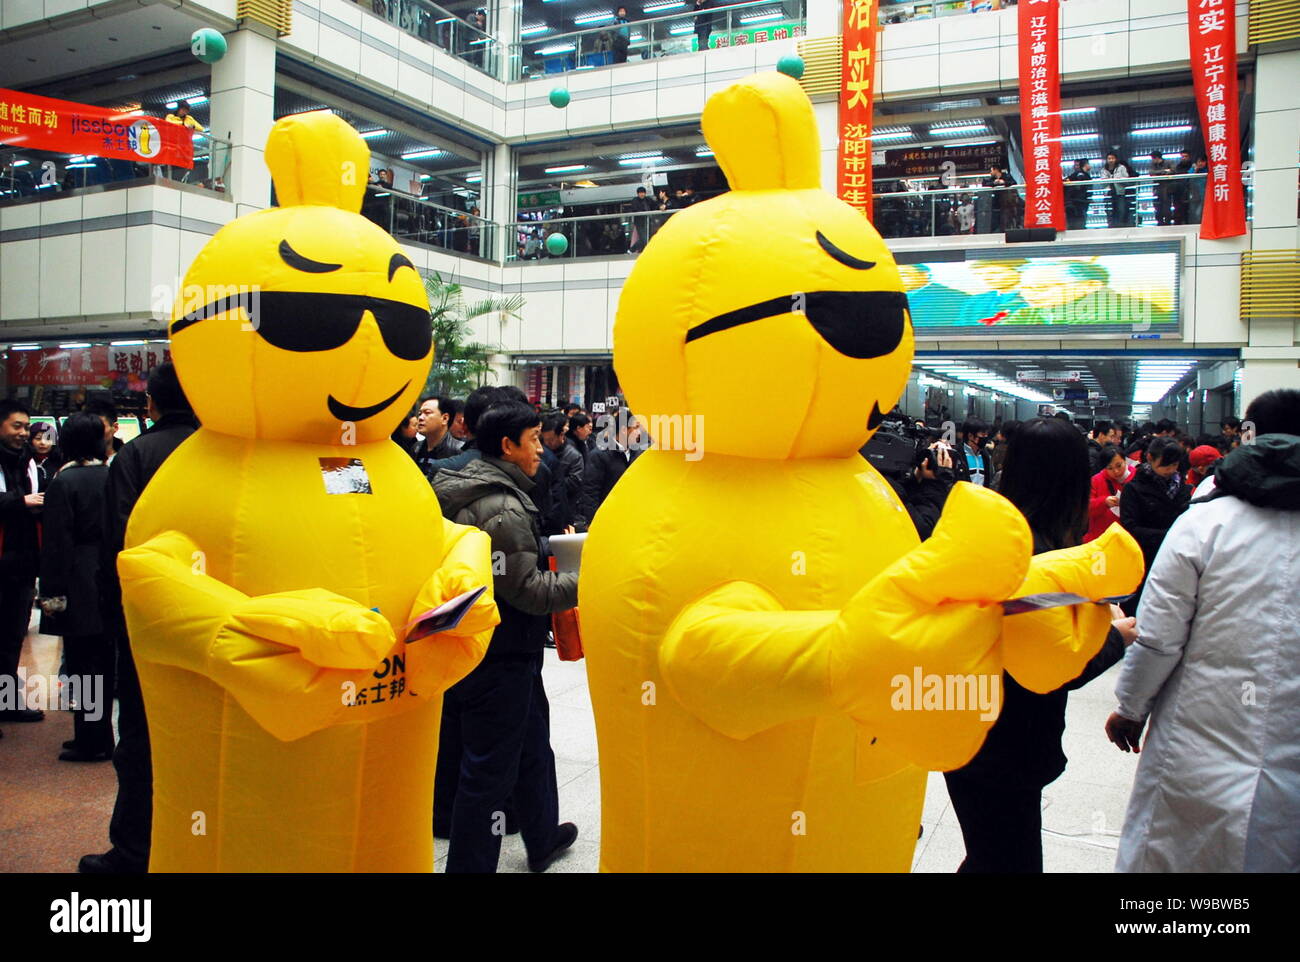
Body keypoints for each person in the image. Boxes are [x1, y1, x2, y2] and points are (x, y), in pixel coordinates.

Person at [1107, 389, 1300, 872]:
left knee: (1181, 856)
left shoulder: (1206, 522)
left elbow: (1158, 635)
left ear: (1246, 438)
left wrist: (1131, 709)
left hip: (1200, 735)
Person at [945, 417, 1138, 873]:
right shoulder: (1039, 556)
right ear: (1072, 479)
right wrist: (1116, 638)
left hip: (964, 725)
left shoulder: (988, 532)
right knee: (1006, 861)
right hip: (1007, 744)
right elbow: (1051, 671)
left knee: (991, 854)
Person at [431, 402, 580, 873]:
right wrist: (588, 575)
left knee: (534, 739)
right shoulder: (503, 506)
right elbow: (529, 593)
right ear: (507, 446)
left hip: (473, 643)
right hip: (503, 650)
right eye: (533, 438)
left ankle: (541, 836)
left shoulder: (462, 485)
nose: (540, 447)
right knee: (488, 775)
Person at [79, 363, 198, 874]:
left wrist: (114, 618)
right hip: (220, 622)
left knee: (144, 737)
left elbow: (119, 544)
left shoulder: (135, 456)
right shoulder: (229, 454)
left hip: (149, 624)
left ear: (150, 404)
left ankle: (134, 850)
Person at [37, 412, 114, 761]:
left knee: (82, 663)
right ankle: (100, 734)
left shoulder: (63, 483)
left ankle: (90, 740)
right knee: (102, 660)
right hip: (108, 574)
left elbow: (56, 544)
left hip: (77, 578)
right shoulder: (110, 476)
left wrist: (51, 593)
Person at [0, 399, 45, 727]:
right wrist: (20, 502)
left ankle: (7, 702)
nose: (24, 433)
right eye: (17, 426)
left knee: (12, 636)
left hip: (21, 563)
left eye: (26, 427)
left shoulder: (28, 463)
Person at [1118, 435, 1189, 616]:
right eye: (1166, 465)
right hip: (1143, 560)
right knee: (1138, 610)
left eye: (1175, 465)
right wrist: (1168, 535)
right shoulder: (1133, 489)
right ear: (1150, 458)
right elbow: (1130, 527)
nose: (1171, 470)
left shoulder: (1181, 487)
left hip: (1176, 559)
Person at [576, 413, 644, 528]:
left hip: (632, 519)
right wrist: (593, 522)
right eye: (636, 428)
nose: (639, 433)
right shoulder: (600, 455)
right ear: (624, 430)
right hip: (607, 521)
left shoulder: (638, 453)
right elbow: (591, 492)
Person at [1086, 444, 1133, 542]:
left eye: (1119, 466)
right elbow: (1086, 508)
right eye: (1110, 468)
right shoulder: (1096, 480)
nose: (1116, 471)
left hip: (1130, 538)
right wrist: (1104, 502)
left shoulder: (1136, 477)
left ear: (1125, 461)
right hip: (1101, 538)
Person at [958, 260, 1026, 326]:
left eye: (994, 273)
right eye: (979, 274)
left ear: (1020, 272)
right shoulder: (975, 300)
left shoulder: (1032, 298)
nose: (986, 278)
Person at [897, 263, 968, 326]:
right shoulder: (894, 297)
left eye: (903, 275)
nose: (898, 280)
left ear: (924, 275)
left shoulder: (951, 297)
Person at [411, 395, 463, 477]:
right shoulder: (416, 447)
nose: (420, 418)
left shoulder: (459, 450)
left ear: (445, 418)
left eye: (427, 413)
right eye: (420, 413)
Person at [950, 418, 991, 488]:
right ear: (970, 436)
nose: (985, 438)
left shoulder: (985, 455)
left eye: (986, 435)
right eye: (983, 435)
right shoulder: (956, 454)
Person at [1096, 152, 1131, 228]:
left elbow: (1127, 180)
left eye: (1112, 158)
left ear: (1116, 159)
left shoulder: (1121, 168)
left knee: (1121, 210)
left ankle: (1120, 226)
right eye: (1109, 158)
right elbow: (1103, 183)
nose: (1111, 160)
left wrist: (1119, 179)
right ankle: (1111, 226)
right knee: (1109, 211)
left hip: (1119, 193)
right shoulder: (1103, 170)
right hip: (1108, 194)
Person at [982, 165, 1017, 231]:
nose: (991, 172)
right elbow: (984, 184)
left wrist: (1004, 182)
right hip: (996, 203)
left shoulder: (1007, 176)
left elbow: (1014, 183)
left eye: (991, 170)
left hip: (1006, 202)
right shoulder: (992, 179)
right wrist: (993, 183)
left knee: (1006, 219)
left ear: (996, 170)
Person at [29, 422, 63, 487]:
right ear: (30, 440)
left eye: (48, 439)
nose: (42, 442)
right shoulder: (24, 461)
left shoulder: (60, 461)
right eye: (38, 438)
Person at [1148, 150, 1175, 226]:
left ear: (1157, 158)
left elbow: (1173, 171)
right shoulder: (1153, 164)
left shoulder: (1169, 162)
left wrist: (1158, 173)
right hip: (1157, 188)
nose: (1152, 161)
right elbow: (1151, 172)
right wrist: (1164, 171)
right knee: (1157, 205)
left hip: (1167, 187)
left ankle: (1168, 222)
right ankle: (1159, 222)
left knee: (1167, 205)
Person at [1064, 158, 1092, 230]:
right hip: (1078, 202)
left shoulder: (1073, 176)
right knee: (1080, 220)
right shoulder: (1081, 175)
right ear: (1085, 165)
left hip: (1075, 201)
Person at [1170, 148, 1193, 225]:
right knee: (1178, 210)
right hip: (1179, 193)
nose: (1184, 158)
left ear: (1189, 157)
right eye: (1182, 156)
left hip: (1190, 190)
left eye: (1186, 156)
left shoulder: (1193, 166)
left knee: (1189, 210)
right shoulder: (1178, 167)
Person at [628, 186, 653, 253]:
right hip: (640, 222)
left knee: (646, 237)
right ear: (638, 194)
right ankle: (648, 251)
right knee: (644, 238)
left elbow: (654, 205)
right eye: (640, 193)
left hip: (648, 221)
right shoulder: (635, 200)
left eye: (643, 193)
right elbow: (635, 209)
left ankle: (631, 250)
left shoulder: (648, 199)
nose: (642, 194)